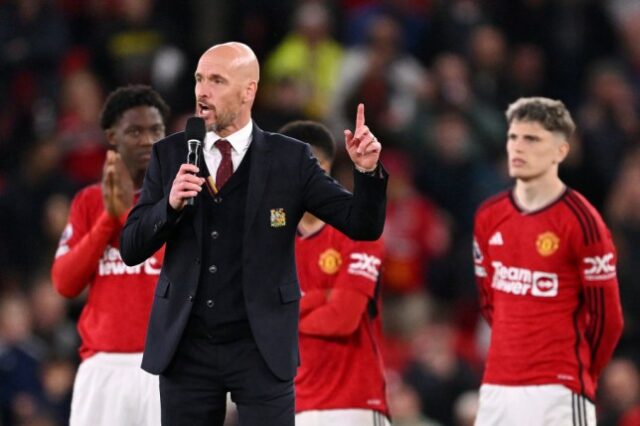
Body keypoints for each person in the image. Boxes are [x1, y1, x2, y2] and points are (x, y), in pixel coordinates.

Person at [119, 42, 387, 426]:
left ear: (249, 91)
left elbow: (362, 225)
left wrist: (366, 173)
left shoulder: (290, 158)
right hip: (185, 345)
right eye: (198, 79)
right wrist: (169, 206)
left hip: (261, 345)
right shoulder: (170, 153)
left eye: (216, 80)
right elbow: (131, 246)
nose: (201, 91)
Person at [473, 97, 624, 425]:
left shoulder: (582, 221)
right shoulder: (488, 217)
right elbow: (490, 302)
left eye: (532, 139)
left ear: (560, 151)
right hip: (498, 387)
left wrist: (579, 371)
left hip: (559, 388)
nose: (518, 147)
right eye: (513, 137)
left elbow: (608, 319)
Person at [51, 85, 171, 425]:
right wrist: (109, 219)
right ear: (111, 136)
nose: (148, 140)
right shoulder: (89, 202)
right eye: (135, 131)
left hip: (166, 365)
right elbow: (64, 283)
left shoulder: (184, 198)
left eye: (156, 130)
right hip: (103, 367)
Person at [278, 120, 390, 426]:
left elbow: (342, 318)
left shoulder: (360, 232)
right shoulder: (271, 237)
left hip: (351, 400)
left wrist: (285, 311)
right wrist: (319, 299)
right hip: (290, 405)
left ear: (322, 168)